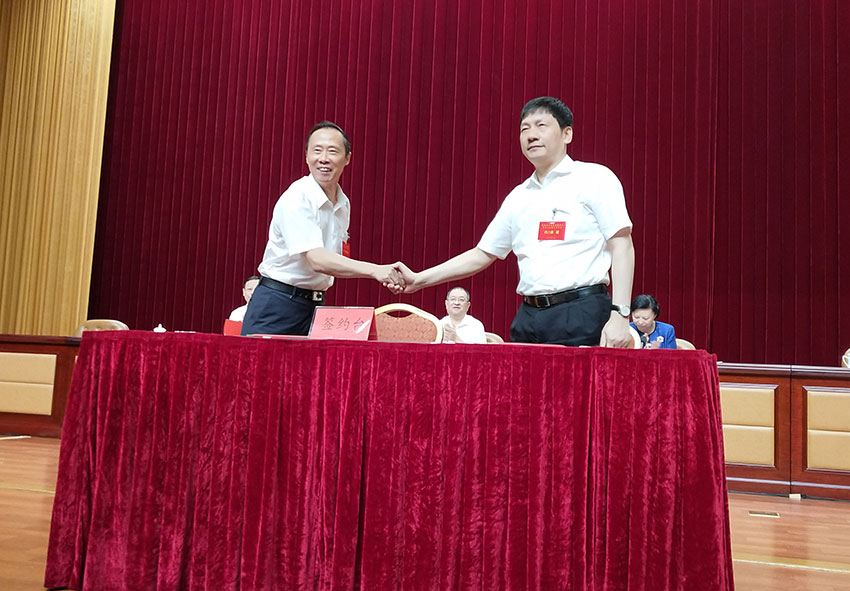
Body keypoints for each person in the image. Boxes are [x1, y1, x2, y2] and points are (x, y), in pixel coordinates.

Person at [395, 97, 634, 347]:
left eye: (541, 125)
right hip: (528, 318)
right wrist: (419, 279)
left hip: (581, 313)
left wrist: (620, 314)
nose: (531, 135)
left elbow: (622, 244)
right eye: (524, 129)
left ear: (567, 134)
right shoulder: (518, 197)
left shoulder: (595, 178)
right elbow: (481, 254)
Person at [242, 121, 404, 336]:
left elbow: (336, 256)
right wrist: (376, 270)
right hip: (277, 305)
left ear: (347, 158)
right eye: (317, 151)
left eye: (332, 151)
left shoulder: (343, 203)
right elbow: (317, 259)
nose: (323, 159)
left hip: (314, 307)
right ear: (306, 156)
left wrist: (383, 273)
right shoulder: (297, 197)